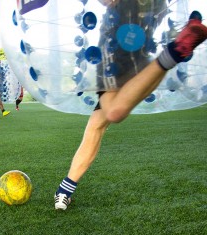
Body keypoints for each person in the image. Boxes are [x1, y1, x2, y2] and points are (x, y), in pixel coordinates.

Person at [54, 7, 207, 210]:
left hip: (117, 39)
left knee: (111, 112)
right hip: (140, 44)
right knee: (98, 124)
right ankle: (65, 190)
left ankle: (174, 52)